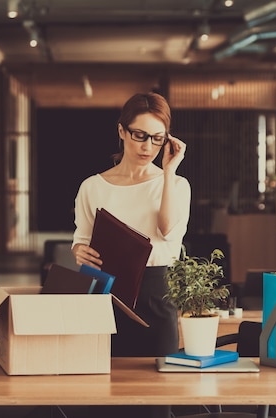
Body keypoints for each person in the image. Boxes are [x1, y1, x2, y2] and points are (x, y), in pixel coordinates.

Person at [72, 92, 191, 360]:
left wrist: (169, 173)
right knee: (104, 388)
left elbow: (167, 230)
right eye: (140, 135)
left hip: (157, 293)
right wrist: (79, 249)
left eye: (157, 138)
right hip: (106, 292)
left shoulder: (177, 185)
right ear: (122, 131)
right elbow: (82, 239)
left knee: (159, 391)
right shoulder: (92, 187)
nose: (148, 147)